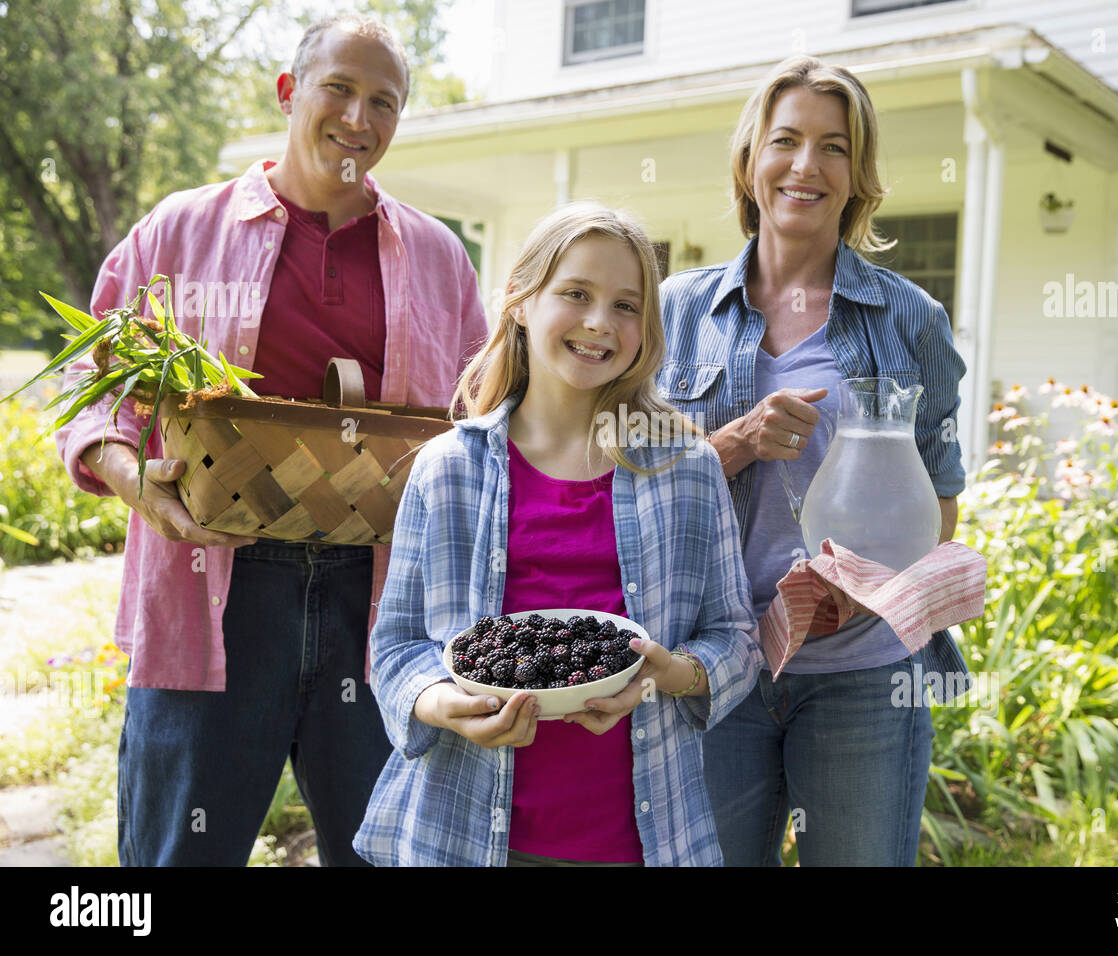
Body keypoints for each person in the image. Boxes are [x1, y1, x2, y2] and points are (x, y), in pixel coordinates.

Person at [53, 14, 487, 866]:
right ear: (289, 91)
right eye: (339, 89)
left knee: (383, 852)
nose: (359, 119)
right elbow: (86, 381)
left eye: (383, 103)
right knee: (181, 852)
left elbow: (482, 417)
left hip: (382, 602)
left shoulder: (439, 257)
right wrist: (136, 481)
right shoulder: (179, 231)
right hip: (210, 586)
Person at [352, 203, 761, 867]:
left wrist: (665, 675)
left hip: (643, 841)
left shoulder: (688, 470)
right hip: (464, 834)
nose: (601, 322)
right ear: (520, 301)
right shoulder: (448, 469)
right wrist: (440, 704)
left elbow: (736, 641)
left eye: (627, 306)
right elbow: (396, 648)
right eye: (576, 293)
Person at [657, 55, 969, 866]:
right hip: (713, 663)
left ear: (858, 173)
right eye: (785, 140)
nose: (806, 165)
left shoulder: (910, 320)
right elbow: (623, 481)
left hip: (863, 671)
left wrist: (883, 594)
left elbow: (939, 501)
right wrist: (733, 443)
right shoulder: (673, 313)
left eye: (834, 146)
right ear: (749, 160)